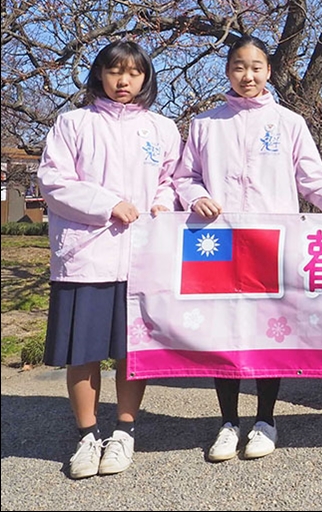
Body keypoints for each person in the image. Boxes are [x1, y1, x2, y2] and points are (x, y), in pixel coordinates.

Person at [175, 34, 322, 462]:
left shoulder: (289, 123)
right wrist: (195, 197)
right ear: (227, 71)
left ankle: (265, 419)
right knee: (221, 333)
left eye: (257, 67)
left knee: (269, 333)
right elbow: (184, 176)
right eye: (239, 66)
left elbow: (312, 180)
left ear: (268, 71)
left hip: (271, 240)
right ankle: (228, 422)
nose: (248, 75)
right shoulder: (205, 123)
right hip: (217, 240)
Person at [37, 40, 181, 479]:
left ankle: (123, 431)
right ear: (100, 73)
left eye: (134, 73)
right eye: (115, 71)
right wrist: (108, 204)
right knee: (83, 353)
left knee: (131, 352)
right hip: (86, 255)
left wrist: (162, 204)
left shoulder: (162, 128)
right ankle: (86, 436)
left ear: (145, 79)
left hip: (141, 255)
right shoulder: (74, 123)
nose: (124, 81)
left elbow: (169, 180)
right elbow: (52, 180)